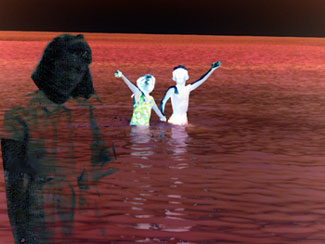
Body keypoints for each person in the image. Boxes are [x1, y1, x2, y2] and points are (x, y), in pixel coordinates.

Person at [1, 34, 117, 244]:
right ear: (50, 66)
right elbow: (14, 182)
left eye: (78, 71)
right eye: (65, 68)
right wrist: (20, 235)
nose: (70, 77)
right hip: (40, 212)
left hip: (86, 210)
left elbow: (107, 163)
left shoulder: (89, 112)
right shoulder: (19, 113)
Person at [160, 61, 221, 126]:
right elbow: (163, 102)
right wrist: (162, 114)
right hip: (175, 119)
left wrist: (212, 69)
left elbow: (201, 80)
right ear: (174, 78)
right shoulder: (173, 89)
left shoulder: (188, 88)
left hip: (184, 118)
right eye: (178, 75)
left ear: (186, 77)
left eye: (182, 74)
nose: (180, 77)